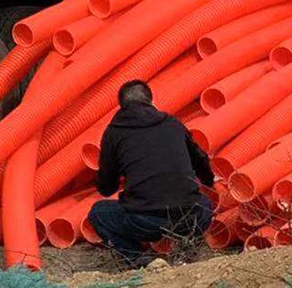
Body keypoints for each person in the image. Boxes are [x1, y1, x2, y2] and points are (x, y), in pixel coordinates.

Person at [88, 80, 215, 266]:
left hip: (144, 222)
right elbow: (201, 161)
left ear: (122, 106)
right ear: (151, 101)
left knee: (98, 213)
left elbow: (107, 188)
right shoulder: (173, 123)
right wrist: (210, 181)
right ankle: (188, 250)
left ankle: (136, 258)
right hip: (189, 217)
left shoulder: (114, 132)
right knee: (205, 203)